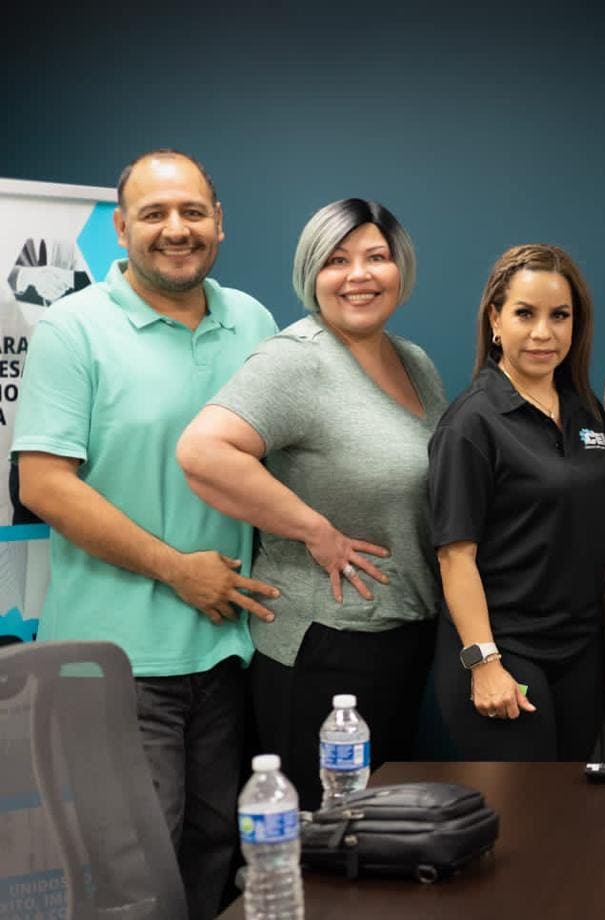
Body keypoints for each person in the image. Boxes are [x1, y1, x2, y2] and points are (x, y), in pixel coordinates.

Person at [12, 148, 279, 919]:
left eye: (192, 211)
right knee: (132, 873)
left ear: (219, 224)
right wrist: (176, 570)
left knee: (211, 849)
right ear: (121, 227)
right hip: (116, 664)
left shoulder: (253, 323)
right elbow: (44, 485)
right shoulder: (73, 329)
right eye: (154, 214)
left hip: (228, 650)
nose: (176, 229)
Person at [176, 198, 446, 806]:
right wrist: (314, 530)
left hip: (402, 634)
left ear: (399, 269)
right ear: (310, 275)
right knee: (318, 841)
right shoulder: (297, 358)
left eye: (376, 257)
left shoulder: (415, 363)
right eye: (336, 260)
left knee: (376, 838)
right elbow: (202, 451)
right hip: (326, 644)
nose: (359, 275)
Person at [427, 244, 605, 761]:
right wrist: (484, 662)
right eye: (525, 314)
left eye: (560, 316)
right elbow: (454, 556)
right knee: (525, 823)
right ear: (494, 319)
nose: (543, 333)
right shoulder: (472, 422)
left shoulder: (586, 410)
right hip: (506, 651)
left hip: (578, 650)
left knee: (578, 812)